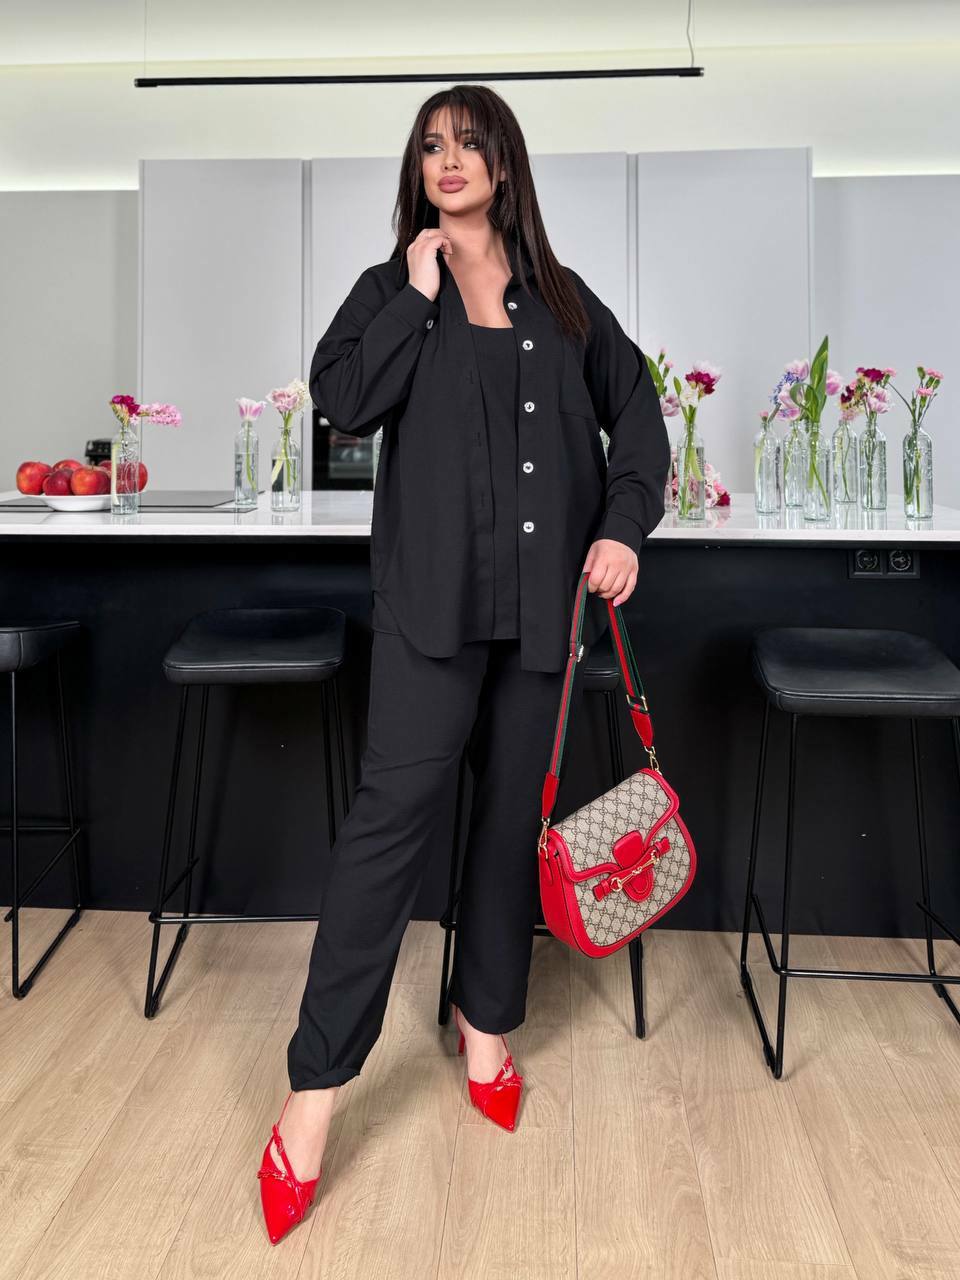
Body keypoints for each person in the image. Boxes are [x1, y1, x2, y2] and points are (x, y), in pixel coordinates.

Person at [256, 83, 670, 1245]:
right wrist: (419, 292)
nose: (449, 159)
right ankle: (313, 1090)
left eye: (469, 142)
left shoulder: (564, 301)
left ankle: (485, 1024)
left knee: (503, 829)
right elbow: (343, 399)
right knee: (388, 834)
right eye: (431, 144)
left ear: (504, 163)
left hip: (543, 618)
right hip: (429, 614)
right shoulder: (394, 288)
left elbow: (639, 423)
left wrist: (623, 529)